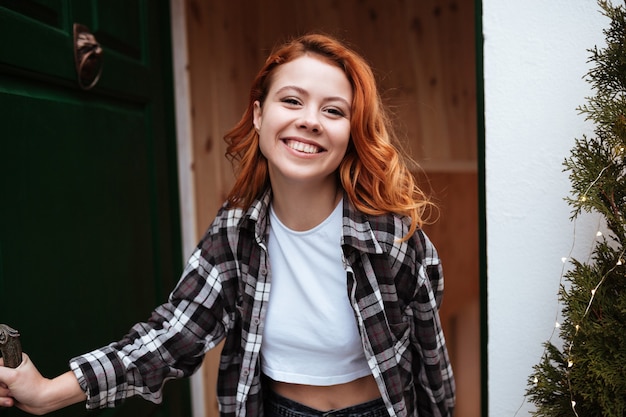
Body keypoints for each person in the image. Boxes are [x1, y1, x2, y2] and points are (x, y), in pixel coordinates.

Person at [0, 33, 455, 417]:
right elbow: (175, 335)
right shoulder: (235, 232)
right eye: (292, 100)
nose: (310, 121)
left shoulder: (392, 236)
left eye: (334, 111)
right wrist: (48, 392)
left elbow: (430, 359)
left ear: (351, 133)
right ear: (260, 115)